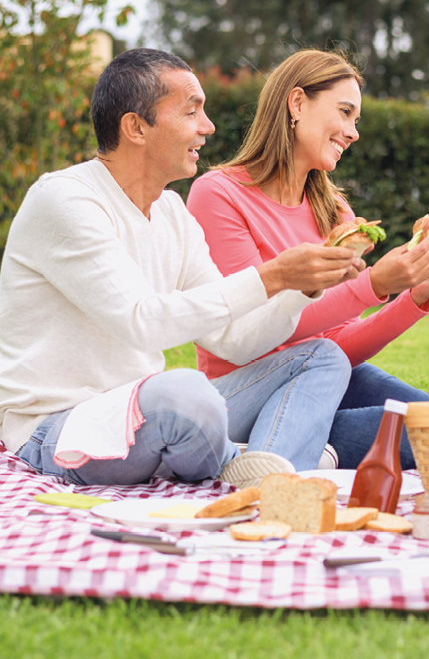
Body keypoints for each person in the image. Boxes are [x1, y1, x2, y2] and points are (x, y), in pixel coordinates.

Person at [0, 48, 367, 488]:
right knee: (183, 394)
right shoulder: (65, 200)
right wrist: (275, 275)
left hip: (144, 413)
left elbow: (234, 341)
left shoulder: (171, 211)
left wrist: (301, 287)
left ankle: (270, 478)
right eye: (192, 111)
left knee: (322, 356)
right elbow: (142, 322)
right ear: (135, 127)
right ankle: (259, 459)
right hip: (58, 427)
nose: (208, 127)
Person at [186, 48, 429, 470]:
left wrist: (414, 295)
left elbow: (339, 345)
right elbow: (256, 336)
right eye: (346, 112)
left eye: (357, 120)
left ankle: (310, 451)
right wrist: (374, 285)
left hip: (322, 372)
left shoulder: (336, 213)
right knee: (408, 427)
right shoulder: (219, 194)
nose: (353, 132)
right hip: (239, 390)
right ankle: (287, 454)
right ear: (297, 103)